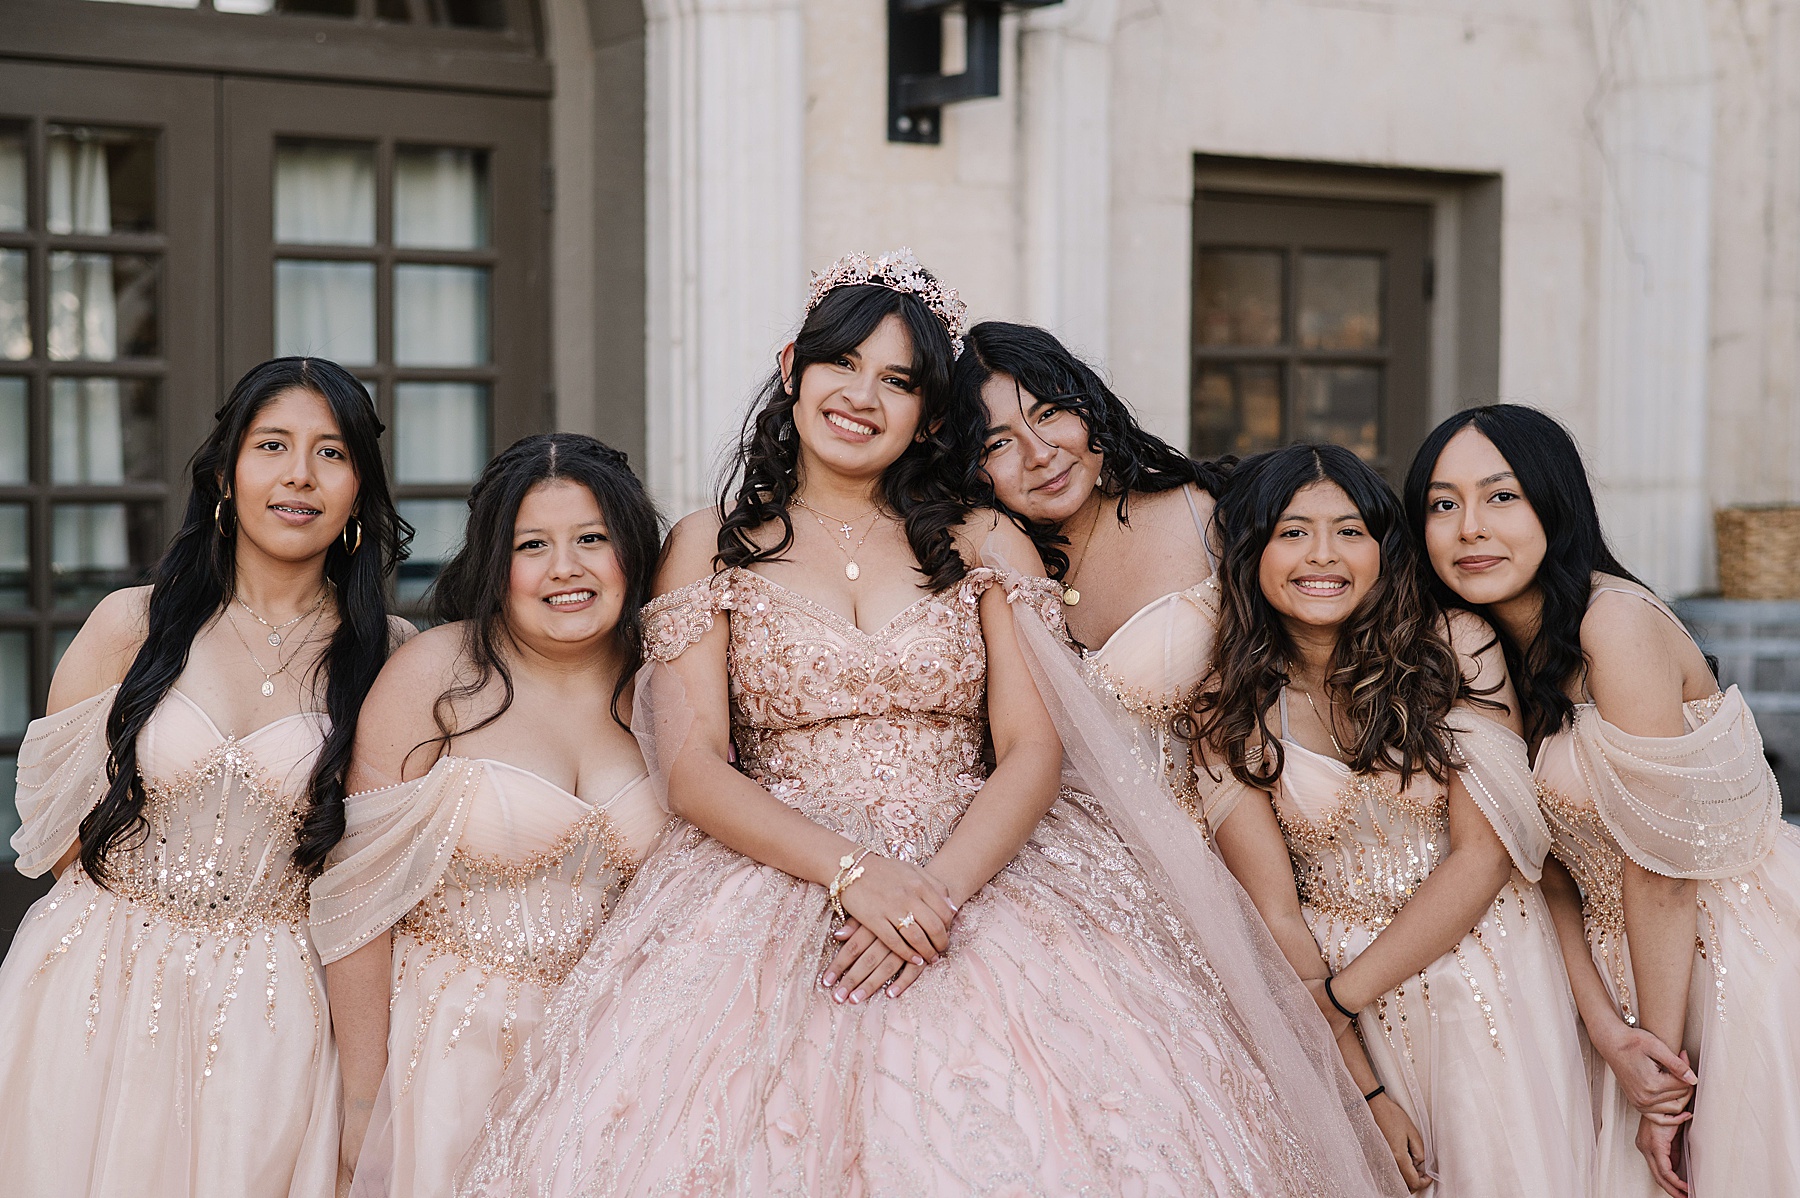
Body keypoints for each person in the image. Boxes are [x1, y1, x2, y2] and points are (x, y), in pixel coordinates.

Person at [457, 249, 1404, 1197]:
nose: (862, 396)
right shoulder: (710, 544)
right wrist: (855, 874)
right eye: (842, 365)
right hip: (773, 870)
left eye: (899, 380)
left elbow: (1035, 749)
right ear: (793, 369)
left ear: (930, 415)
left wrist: (934, 895)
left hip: (986, 863)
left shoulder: (982, 538)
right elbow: (696, 767)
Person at [0, 357, 410, 1197]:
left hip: (274, 1005)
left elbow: (380, 874)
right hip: (97, 985)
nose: (300, 475)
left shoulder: (392, 657)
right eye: (273, 446)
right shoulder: (132, 624)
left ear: (360, 488)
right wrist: (143, 941)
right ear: (226, 473)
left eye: (331, 453)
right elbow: (53, 835)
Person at [1404, 404, 1800, 1197]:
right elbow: (1546, 870)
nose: (1471, 528)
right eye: (1444, 505)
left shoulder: (1612, 622)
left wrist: (1663, 1085)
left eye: (1502, 496)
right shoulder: (1481, 652)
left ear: (1556, 503)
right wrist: (1603, 1028)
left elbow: (1662, 870)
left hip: (1722, 947)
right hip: (1619, 974)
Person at [1195, 443, 1593, 1197]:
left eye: (1350, 531)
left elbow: (1484, 857)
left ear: (1384, 548)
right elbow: (1275, 912)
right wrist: (1360, 1086)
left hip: (1485, 963)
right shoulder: (1230, 706)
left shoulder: (1454, 648)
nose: (1325, 555)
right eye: (1292, 531)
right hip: (1340, 1002)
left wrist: (1338, 1000)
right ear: (1252, 553)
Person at [310, 434, 668, 1198]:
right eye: (532, 544)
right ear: (495, 563)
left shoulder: (669, 685)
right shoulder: (436, 676)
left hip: (619, 1060)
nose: (565, 568)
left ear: (632, 550)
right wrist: (364, 1101)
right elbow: (358, 905)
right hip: (448, 1054)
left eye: (591, 539)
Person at [955, 320, 1227, 820]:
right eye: (998, 444)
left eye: (1050, 412)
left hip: (1228, 846)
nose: (1040, 455)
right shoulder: (979, 574)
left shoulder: (1205, 513)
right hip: (1066, 865)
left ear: (1089, 405)